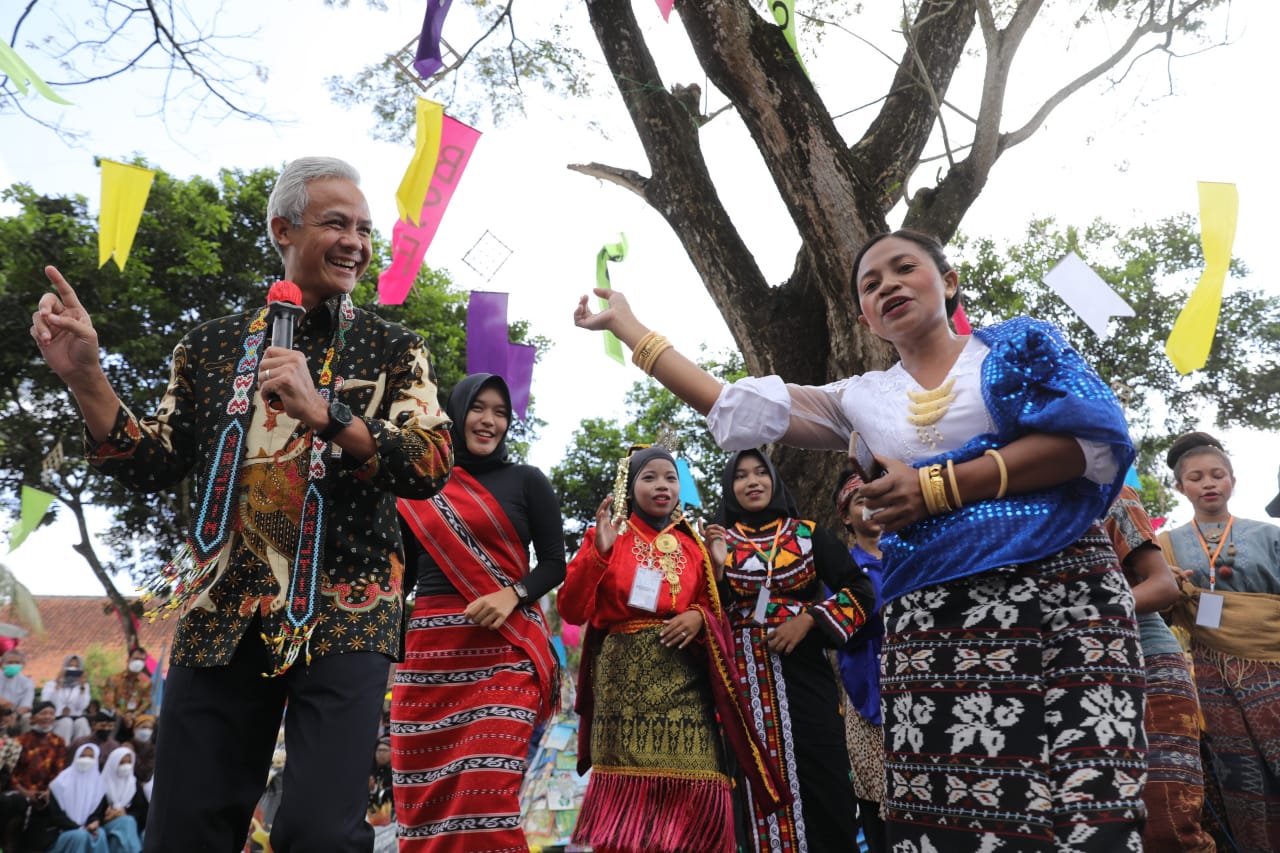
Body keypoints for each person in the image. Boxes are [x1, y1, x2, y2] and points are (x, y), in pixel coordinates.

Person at [574, 229, 1144, 850]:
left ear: (948, 281)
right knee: (951, 802)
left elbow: (1091, 443)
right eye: (871, 285)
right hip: (930, 618)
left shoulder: (1020, 346)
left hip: (1055, 591)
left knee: (1082, 793)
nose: (888, 285)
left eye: (905, 269)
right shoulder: (860, 399)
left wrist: (936, 489)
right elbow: (727, 402)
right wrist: (629, 327)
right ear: (866, 318)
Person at [29, 155, 454, 851]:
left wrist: (329, 414)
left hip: (345, 607)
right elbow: (152, 462)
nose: (357, 242)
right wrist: (87, 379)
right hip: (221, 604)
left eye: (365, 229)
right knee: (186, 829)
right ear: (283, 228)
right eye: (336, 223)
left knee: (317, 831)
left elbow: (431, 461)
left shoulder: (393, 346)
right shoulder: (210, 345)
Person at [557, 445, 787, 853]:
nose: (661, 486)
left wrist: (700, 613)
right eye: (649, 478)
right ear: (631, 486)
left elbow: (714, 610)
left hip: (685, 685)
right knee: (630, 816)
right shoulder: (609, 535)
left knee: (700, 791)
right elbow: (572, 611)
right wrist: (599, 554)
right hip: (623, 689)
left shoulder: (692, 546)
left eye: (669, 477)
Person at [392, 373, 565, 851]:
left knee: (486, 797)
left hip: (505, 653)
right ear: (456, 412)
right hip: (430, 656)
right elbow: (400, 576)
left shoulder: (528, 481)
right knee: (420, 800)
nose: (490, 421)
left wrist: (513, 594)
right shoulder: (420, 483)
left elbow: (554, 563)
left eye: (501, 412)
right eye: (479, 408)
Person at [701, 449, 873, 851]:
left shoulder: (808, 533)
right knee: (755, 787)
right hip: (743, 685)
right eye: (741, 476)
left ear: (774, 480)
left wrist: (810, 619)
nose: (752, 481)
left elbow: (860, 591)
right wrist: (720, 570)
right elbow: (708, 610)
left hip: (806, 679)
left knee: (825, 779)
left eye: (761, 472)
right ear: (731, 488)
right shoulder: (716, 540)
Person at [1161, 431, 1280, 853]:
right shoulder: (1165, 547)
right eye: (1196, 477)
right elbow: (1156, 610)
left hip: (1273, 661)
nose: (1208, 483)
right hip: (1210, 671)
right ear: (1180, 487)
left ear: (1233, 480)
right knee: (1238, 769)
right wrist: (1167, 584)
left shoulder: (1269, 536)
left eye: (1217, 475)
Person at [1103, 484, 1214, 851]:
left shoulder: (1110, 492)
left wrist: (1080, 615)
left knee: (1168, 817)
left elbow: (1162, 587)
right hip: (1077, 665)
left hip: (1145, 656)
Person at [832, 469, 888, 853]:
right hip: (868, 695)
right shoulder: (843, 571)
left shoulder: (913, 554)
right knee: (877, 798)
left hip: (919, 685)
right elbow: (842, 629)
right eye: (861, 500)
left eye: (878, 496)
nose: (873, 507)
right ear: (847, 516)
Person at [32, 743, 109, 853]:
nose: (86, 759)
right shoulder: (60, 783)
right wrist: (78, 828)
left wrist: (94, 822)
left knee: (100, 834)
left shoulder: (100, 785)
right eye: (83, 756)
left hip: (87, 829)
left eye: (90, 757)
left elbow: (97, 813)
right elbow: (56, 816)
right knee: (80, 836)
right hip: (62, 831)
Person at [13, 702, 68, 813]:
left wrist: (49, 791)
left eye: (51, 714)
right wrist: (25, 793)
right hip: (21, 793)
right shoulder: (19, 741)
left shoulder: (59, 742)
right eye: (43, 713)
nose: (47, 717)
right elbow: (11, 773)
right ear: (32, 718)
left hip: (47, 794)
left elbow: (59, 771)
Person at [99, 747, 146, 851]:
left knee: (125, 826)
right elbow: (96, 812)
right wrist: (113, 815)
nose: (126, 766)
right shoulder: (101, 784)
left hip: (129, 826)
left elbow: (141, 810)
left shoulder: (133, 784)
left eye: (129, 762)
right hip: (105, 824)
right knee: (126, 822)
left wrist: (124, 812)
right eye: (122, 762)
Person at [40, 657, 91, 745]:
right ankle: (62, 750)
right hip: (56, 719)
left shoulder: (83, 686)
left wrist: (82, 687)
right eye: (70, 665)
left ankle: (80, 750)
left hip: (75, 717)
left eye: (76, 666)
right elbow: (47, 704)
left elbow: (82, 706)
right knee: (66, 722)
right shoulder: (51, 684)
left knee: (82, 722)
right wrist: (58, 685)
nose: (73, 669)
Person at [99, 649, 150, 734]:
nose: (138, 662)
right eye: (136, 658)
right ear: (128, 659)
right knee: (113, 719)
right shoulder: (114, 679)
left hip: (135, 717)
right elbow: (108, 703)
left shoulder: (147, 682)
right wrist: (123, 716)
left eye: (142, 660)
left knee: (148, 723)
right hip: (116, 716)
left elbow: (146, 702)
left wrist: (133, 716)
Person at [0, 649, 35, 732]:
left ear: (23, 665)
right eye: (9, 662)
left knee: (26, 719)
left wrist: (14, 714)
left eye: (17, 663)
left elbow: (26, 705)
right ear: (2, 664)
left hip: (14, 714)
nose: (13, 665)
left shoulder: (27, 682)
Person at [122, 716, 154, 785]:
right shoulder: (126, 745)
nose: (147, 731)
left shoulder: (153, 749)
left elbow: (146, 775)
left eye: (150, 728)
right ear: (135, 729)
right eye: (144, 727)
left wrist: (133, 754)